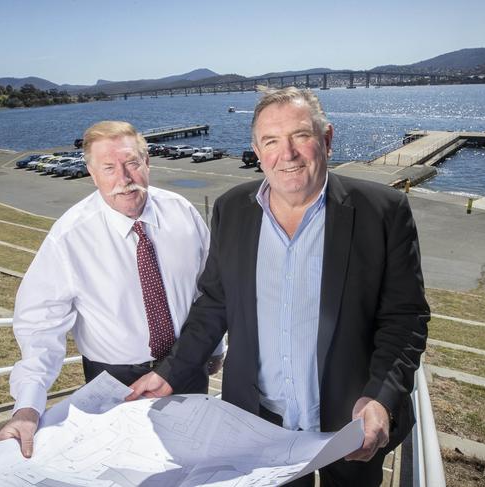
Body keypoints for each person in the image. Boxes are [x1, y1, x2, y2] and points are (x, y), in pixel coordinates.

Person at [129, 87, 430, 486]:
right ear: (256, 149)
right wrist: (171, 371)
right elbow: (215, 304)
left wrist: (380, 398)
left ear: (326, 139)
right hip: (258, 425)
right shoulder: (231, 210)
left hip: (350, 423)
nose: (286, 154)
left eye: (300, 136)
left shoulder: (383, 212)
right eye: (271, 141)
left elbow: (404, 320)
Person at [0, 121, 224, 458]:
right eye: (108, 168)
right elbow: (39, 329)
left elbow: (209, 290)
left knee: (195, 462)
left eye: (132, 163)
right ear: (91, 172)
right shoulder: (69, 238)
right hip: (118, 385)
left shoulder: (182, 212)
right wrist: (28, 408)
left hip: (187, 367)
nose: (124, 178)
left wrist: (216, 347)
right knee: (129, 467)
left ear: (147, 162)